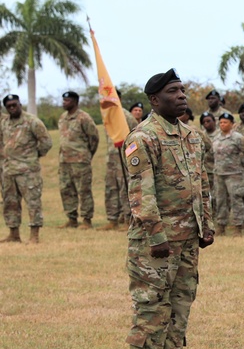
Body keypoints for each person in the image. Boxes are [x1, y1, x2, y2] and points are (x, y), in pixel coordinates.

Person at [124, 69, 214, 349]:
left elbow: (202, 183)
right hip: (156, 240)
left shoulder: (192, 136)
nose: (181, 96)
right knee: (151, 301)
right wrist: (156, 234)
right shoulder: (143, 137)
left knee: (181, 300)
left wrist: (207, 225)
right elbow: (141, 192)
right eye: (173, 91)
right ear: (154, 100)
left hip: (188, 236)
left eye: (182, 91)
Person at [0, 94, 52, 244]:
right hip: (9, 170)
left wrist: (33, 157)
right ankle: (13, 233)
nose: (12, 108)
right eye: (9, 106)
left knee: (33, 202)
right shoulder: (4, 123)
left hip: (28, 171)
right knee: (10, 202)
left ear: (20, 104)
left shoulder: (32, 122)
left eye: (14, 105)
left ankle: (34, 235)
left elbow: (46, 142)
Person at [57, 90, 100, 229]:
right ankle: (71, 219)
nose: (64, 103)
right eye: (64, 100)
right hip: (64, 161)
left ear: (75, 102)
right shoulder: (62, 117)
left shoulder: (84, 118)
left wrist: (86, 155)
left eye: (67, 100)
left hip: (80, 161)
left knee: (84, 191)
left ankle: (87, 220)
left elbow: (94, 138)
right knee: (66, 190)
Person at [101, 91, 140, 231]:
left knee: (126, 188)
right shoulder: (106, 115)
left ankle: (127, 219)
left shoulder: (126, 116)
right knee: (110, 189)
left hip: (125, 158)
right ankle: (112, 219)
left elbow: (137, 136)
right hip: (111, 159)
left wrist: (130, 155)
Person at [212, 113, 244, 236]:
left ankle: (237, 227)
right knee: (220, 201)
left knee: (236, 200)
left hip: (234, 174)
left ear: (232, 124)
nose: (223, 125)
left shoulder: (238, 138)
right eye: (221, 122)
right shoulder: (216, 137)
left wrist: (239, 164)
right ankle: (221, 225)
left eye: (225, 122)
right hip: (219, 174)